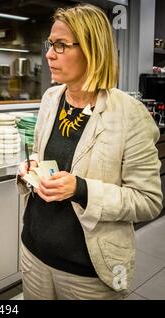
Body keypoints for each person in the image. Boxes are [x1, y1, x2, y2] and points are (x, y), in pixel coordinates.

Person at [17, 4, 162, 300]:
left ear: (92, 50)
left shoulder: (129, 114)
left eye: (61, 45)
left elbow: (148, 201)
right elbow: (46, 159)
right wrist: (31, 169)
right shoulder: (51, 98)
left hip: (88, 271)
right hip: (34, 254)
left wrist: (81, 189)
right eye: (50, 44)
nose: (49, 54)